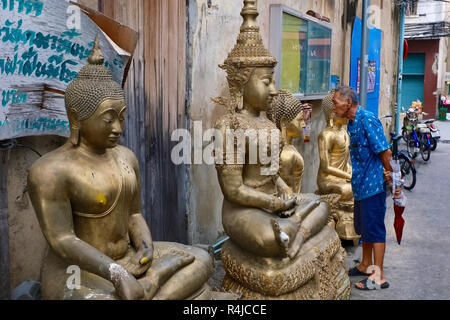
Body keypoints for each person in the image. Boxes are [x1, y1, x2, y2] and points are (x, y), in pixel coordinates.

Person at [27, 37, 213, 300]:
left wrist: (146, 250)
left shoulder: (126, 157)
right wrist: (117, 273)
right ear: (76, 118)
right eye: (108, 119)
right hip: (79, 271)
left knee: (202, 258)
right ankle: (151, 286)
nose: (118, 128)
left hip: (129, 258)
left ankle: (148, 286)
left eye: (122, 117)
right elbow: (63, 241)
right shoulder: (49, 171)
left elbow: (134, 215)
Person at [332, 86, 399, 290]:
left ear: (348, 103)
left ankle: (378, 276)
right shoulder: (352, 122)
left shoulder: (367, 119)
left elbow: (385, 152)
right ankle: (365, 265)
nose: (334, 106)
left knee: (375, 230)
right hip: (360, 186)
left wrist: (391, 179)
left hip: (373, 187)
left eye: (336, 102)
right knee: (364, 229)